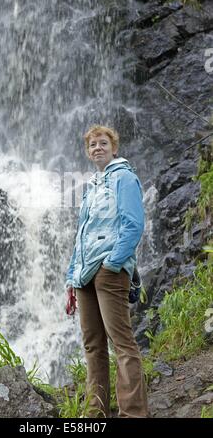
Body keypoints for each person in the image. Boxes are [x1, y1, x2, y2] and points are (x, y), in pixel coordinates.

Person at [65, 125, 148, 418]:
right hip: (84, 276)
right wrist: (70, 280)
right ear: (88, 153)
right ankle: (94, 415)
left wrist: (112, 263)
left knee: (122, 343)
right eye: (92, 145)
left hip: (109, 271)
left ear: (114, 148)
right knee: (93, 345)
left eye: (103, 143)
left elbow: (133, 224)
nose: (97, 148)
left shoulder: (124, 178)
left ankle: (133, 413)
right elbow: (81, 236)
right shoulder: (92, 188)